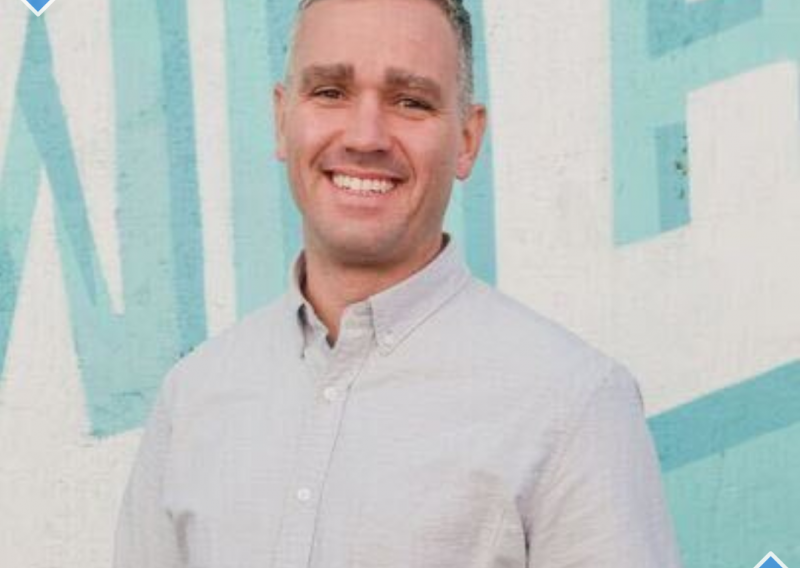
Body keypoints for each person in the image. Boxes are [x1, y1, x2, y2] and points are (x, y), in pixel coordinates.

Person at [114, 0, 684, 566]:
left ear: (466, 138)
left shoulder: (573, 403)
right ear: (281, 119)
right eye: (330, 92)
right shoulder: (192, 399)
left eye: (410, 101)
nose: (365, 137)